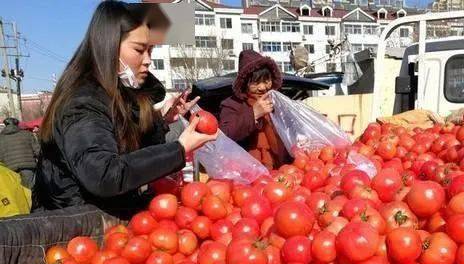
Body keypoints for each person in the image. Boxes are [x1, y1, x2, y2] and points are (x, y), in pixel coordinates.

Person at [35, 1, 215, 217]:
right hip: (73, 224)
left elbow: (130, 151)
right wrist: (179, 149)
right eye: (140, 49)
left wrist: (162, 120)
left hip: (106, 220)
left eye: (151, 50)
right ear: (108, 46)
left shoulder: (118, 94)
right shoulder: (82, 100)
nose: (148, 60)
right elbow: (104, 175)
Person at [219, 50, 291, 170]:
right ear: (244, 84)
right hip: (246, 172)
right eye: (255, 82)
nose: (262, 88)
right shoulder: (232, 104)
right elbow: (224, 135)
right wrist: (254, 114)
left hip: (281, 171)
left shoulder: (278, 103)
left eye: (266, 81)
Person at [0, 117, 40, 189]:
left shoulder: (1, 138)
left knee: (17, 193)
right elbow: (38, 151)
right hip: (28, 167)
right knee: (31, 190)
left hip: (10, 170)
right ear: (17, 124)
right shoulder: (27, 134)